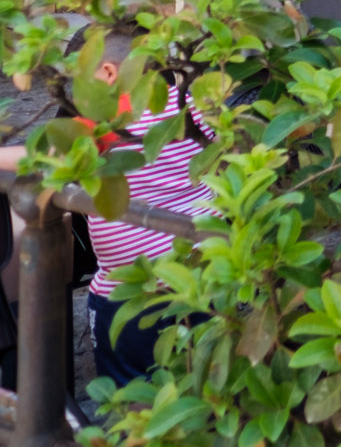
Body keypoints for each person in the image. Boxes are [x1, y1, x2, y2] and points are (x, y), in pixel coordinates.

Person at [0, 29, 211, 387]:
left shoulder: (113, 116)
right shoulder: (193, 106)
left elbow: (43, 158)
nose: (77, 96)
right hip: (204, 279)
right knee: (201, 383)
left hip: (133, 295)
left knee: (134, 395)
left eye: (81, 81)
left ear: (110, 74)